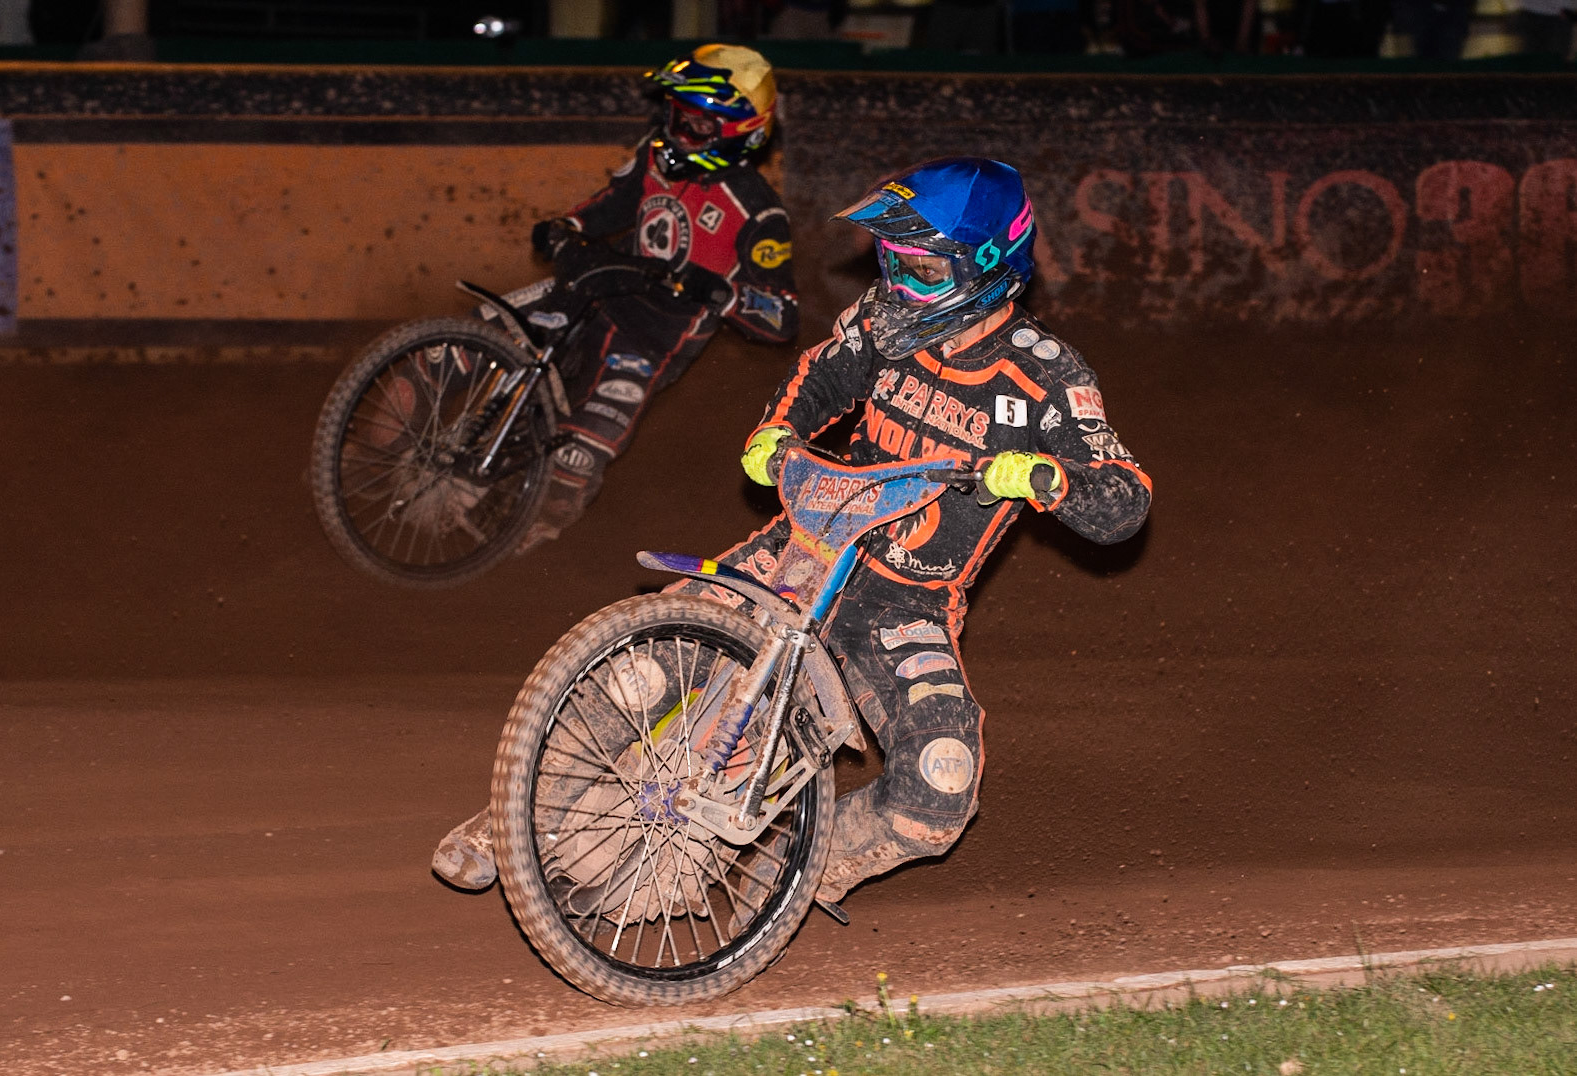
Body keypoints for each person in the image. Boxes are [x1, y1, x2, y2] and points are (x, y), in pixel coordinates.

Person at [434, 157, 1151, 908]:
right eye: (892, 260)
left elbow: (1125, 499)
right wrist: (776, 434)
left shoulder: (1047, 379)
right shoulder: (882, 320)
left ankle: (801, 872)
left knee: (941, 782)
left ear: (988, 267)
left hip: (905, 603)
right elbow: (820, 375)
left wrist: (1046, 476)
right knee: (637, 669)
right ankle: (506, 822)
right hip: (807, 545)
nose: (902, 281)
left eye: (923, 267)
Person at [507, 43, 799, 553]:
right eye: (675, 116)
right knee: (476, 337)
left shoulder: (758, 214)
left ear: (739, 132)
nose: (676, 134)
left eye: (696, 126)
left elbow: (783, 318)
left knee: (575, 460)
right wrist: (566, 226)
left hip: (650, 341)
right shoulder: (654, 154)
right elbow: (611, 205)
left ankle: (518, 555)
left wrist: (722, 293)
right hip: (594, 291)